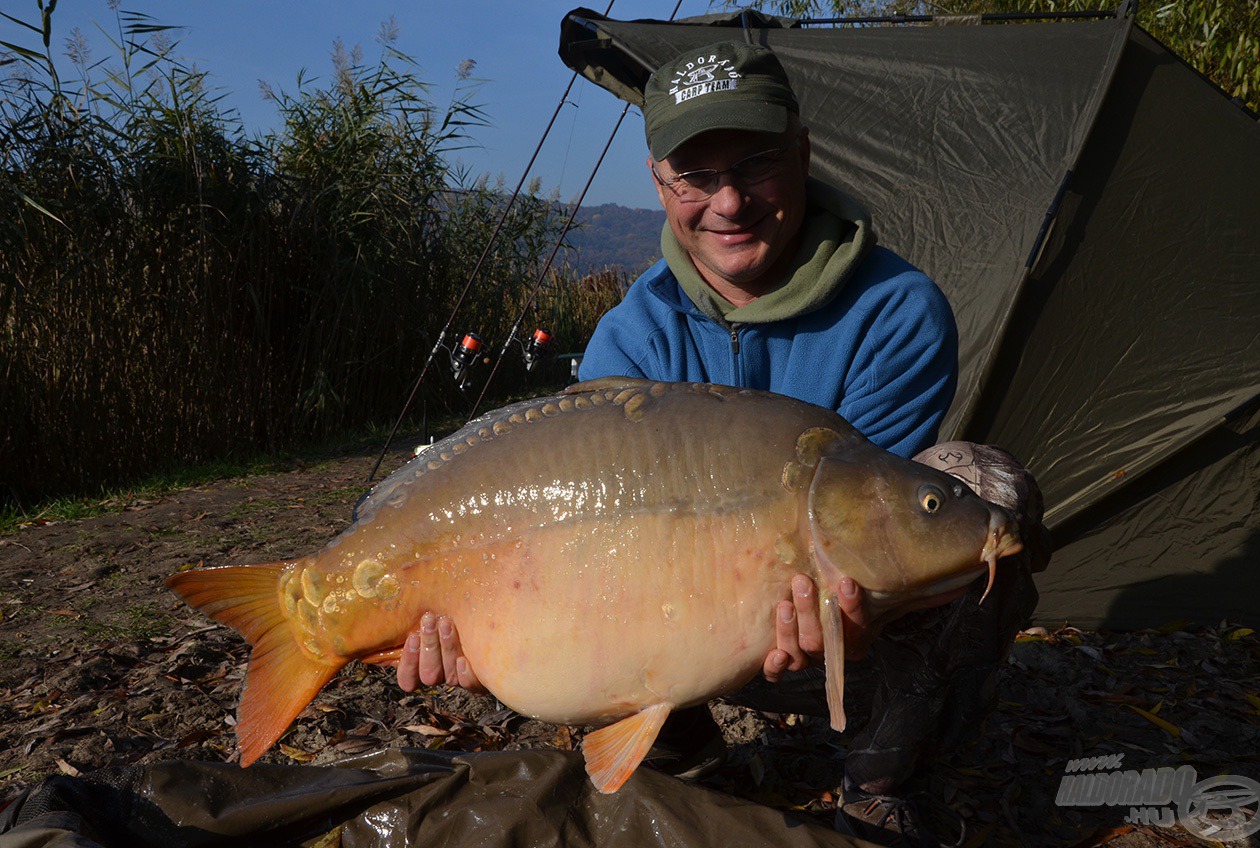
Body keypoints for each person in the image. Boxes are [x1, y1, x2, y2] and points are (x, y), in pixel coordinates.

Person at [397, 41, 1046, 845]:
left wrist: (841, 615)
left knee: (979, 486)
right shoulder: (629, 339)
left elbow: (864, 538)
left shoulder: (897, 311)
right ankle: (683, 750)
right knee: (551, 563)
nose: (729, 201)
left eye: (756, 164)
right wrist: (467, 628)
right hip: (673, 623)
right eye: (695, 178)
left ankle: (880, 782)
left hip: (832, 618)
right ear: (660, 184)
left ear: (803, 153)